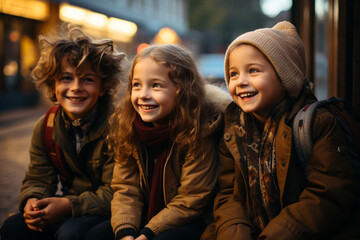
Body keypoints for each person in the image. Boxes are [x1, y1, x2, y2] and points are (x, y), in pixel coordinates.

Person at [202, 21, 359, 239]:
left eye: (253, 71)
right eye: (234, 73)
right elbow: (229, 194)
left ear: (284, 78)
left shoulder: (317, 123)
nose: (240, 82)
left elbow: (327, 196)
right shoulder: (233, 128)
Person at [0, 23, 127, 240]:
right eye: (66, 78)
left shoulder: (118, 126)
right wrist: (33, 201)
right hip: (68, 205)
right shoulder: (46, 125)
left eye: (87, 79)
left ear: (103, 86)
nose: (76, 87)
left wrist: (68, 205)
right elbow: (38, 178)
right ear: (53, 84)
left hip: (108, 212)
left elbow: (117, 193)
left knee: (69, 234)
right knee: (14, 227)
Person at [105, 44, 231, 240]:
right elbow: (125, 189)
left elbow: (192, 198)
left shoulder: (200, 130)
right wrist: (126, 231)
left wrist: (147, 233)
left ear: (182, 91)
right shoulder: (130, 128)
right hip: (148, 214)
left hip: (193, 219)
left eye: (156, 85)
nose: (143, 94)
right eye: (137, 85)